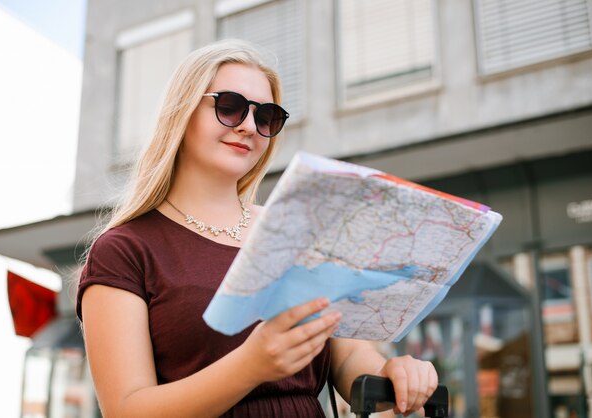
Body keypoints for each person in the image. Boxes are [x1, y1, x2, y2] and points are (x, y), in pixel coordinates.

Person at [76, 39, 438, 418]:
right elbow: (127, 409)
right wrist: (251, 366)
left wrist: (393, 373)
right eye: (229, 107)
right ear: (181, 113)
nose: (249, 127)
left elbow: (347, 359)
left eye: (266, 117)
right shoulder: (125, 249)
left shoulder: (298, 231)